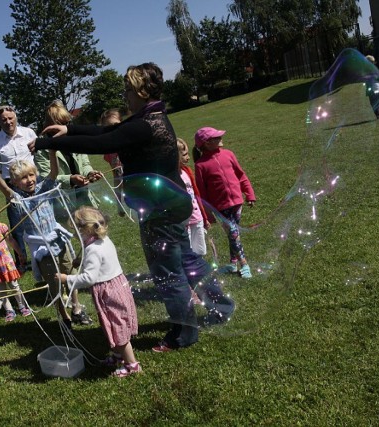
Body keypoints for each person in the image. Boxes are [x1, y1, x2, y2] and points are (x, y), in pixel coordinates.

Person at [30, 62, 235, 351]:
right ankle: (222, 306)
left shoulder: (144, 125)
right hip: (172, 203)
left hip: (159, 209)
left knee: (167, 270)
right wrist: (68, 128)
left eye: (128, 89)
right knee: (187, 259)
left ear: (140, 90)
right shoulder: (152, 117)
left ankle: (184, 332)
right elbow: (109, 131)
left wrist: (43, 142)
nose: (125, 95)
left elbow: (106, 141)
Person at [0, 151, 82, 329]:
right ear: (14, 182)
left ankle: (76, 308)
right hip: (42, 248)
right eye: (23, 178)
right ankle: (64, 315)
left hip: (59, 240)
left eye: (31, 175)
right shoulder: (19, 199)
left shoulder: (44, 189)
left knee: (70, 274)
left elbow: (53, 172)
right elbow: (6, 191)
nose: (29, 180)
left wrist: (52, 152)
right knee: (54, 282)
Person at [35, 99, 99, 325]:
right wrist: (69, 179)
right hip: (63, 205)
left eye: (67, 122)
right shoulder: (44, 148)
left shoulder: (75, 140)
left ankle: (93, 281)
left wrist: (90, 173)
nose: (66, 126)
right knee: (70, 254)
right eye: (62, 122)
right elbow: (46, 177)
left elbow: (86, 162)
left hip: (84, 198)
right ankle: (76, 302)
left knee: (92, 242)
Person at [57, 206, 140, 377]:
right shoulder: (103, 240)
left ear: (86, 229)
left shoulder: (92, 249)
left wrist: (68, 279)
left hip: (108, 292)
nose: (77, 234)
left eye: (78, 230)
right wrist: (82, 259)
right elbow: (100, 261)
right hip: (117, 286)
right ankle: (118, 356)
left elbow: (89, 278)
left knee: (119, 329)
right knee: (117, 323)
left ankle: (132, 365)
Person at [194, 127, 256, 279]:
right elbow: (202, 191)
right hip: (220, 207)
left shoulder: (229, 154)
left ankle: (233, 263)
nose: (221, 137)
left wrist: (249, 193)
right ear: (207, 143)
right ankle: (244, 264)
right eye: (216, 137)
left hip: (237, 203)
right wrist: (207, 212)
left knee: (233, 234)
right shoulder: (201, 165)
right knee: (234, 234)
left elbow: (241, 175)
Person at [0, 105, 37, 271]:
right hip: (12, 186)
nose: (8, 122)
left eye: (10, 118)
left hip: (33, 183)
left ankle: (41, 254)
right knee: (17, 225)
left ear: (16, 117)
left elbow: (38, 157)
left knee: (38, 218)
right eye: (4, 120)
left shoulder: (29, 133)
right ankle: (22, 261)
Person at [99, 109, 126, 217]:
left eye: (115, 125)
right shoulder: (110, 151)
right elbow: (117, 179)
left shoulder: (131, 141)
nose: (113, 129)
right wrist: (119, 203)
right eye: (108, 127)